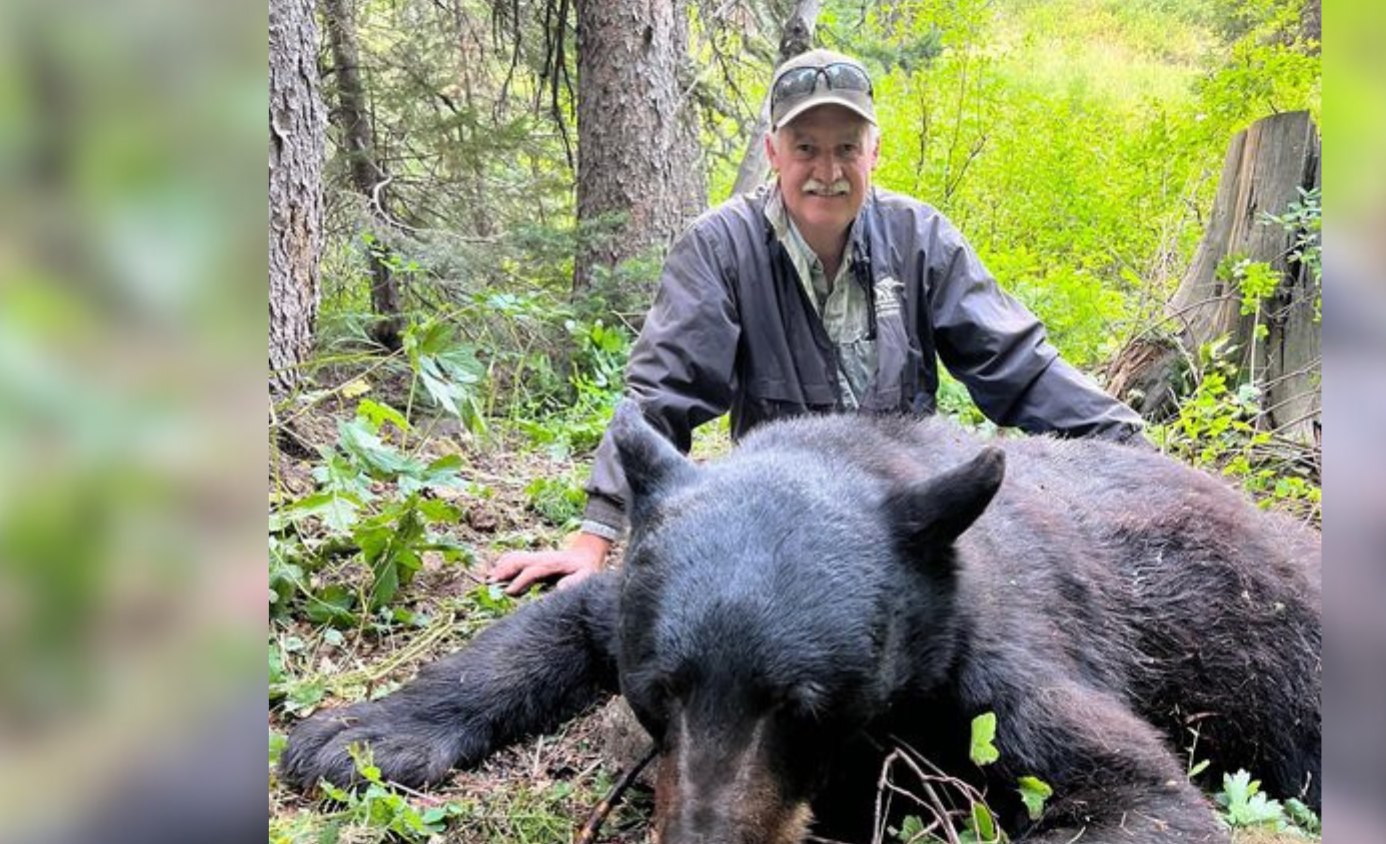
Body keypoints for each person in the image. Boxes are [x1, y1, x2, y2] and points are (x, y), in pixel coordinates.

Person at [488, 48, 1145, 594]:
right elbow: (662, 396)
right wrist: (595, 535)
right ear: (774, 153)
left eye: (846, 148)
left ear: (874, 153)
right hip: (777, 523)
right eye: (806, 147)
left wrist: (1137, 460)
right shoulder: (722, 248)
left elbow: (1022, 370)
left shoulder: (921, 241)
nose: (827, 171)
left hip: (902, 521)